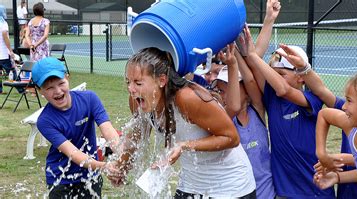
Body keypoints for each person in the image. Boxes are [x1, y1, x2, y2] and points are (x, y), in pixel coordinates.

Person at [109, 47, 256, 198]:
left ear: (162, 80)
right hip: (190, 184)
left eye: (138, 83)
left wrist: (184, 145)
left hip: (231, 187)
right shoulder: (138, 100)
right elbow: (136, 136)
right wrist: (121, 166)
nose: (131, 89)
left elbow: (231, 138)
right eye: (128, 82)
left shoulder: (187, 98)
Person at [242, 26, 335, 198]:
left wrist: (253, 56)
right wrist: (269, 19)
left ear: (300, 76)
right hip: (284, 191)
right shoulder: (271, 97)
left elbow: (284, 89)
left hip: (315, 190)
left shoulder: (312, 99)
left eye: (281, 74)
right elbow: (254, 67)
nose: (274, 79)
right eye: (273, 74)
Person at [32, 57, 120, 198]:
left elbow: (108, 130)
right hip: (61, 180)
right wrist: (105, 166)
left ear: (68, 78)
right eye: (49, 88)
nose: (58, 91)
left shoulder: (89, 99)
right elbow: (73, 153)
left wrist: (121, 156)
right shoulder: (45, 121)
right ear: (40, 91)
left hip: (91, 175)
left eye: (61, 83)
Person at [211, 44, 275, 198]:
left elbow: (251, 81)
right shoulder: (225, 118)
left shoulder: (257, 111)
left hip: (266, 193)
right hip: (240, 193)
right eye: (220, 90)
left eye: (227, 88)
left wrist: (235, 52)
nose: (223, 93)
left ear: (245, 91)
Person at [0, 5, 16, 94]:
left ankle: (0, 90)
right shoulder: (3, 23)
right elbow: (5, 36)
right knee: (11, 71)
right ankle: (21, 89)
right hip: (3, 54)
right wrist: (10, 50)